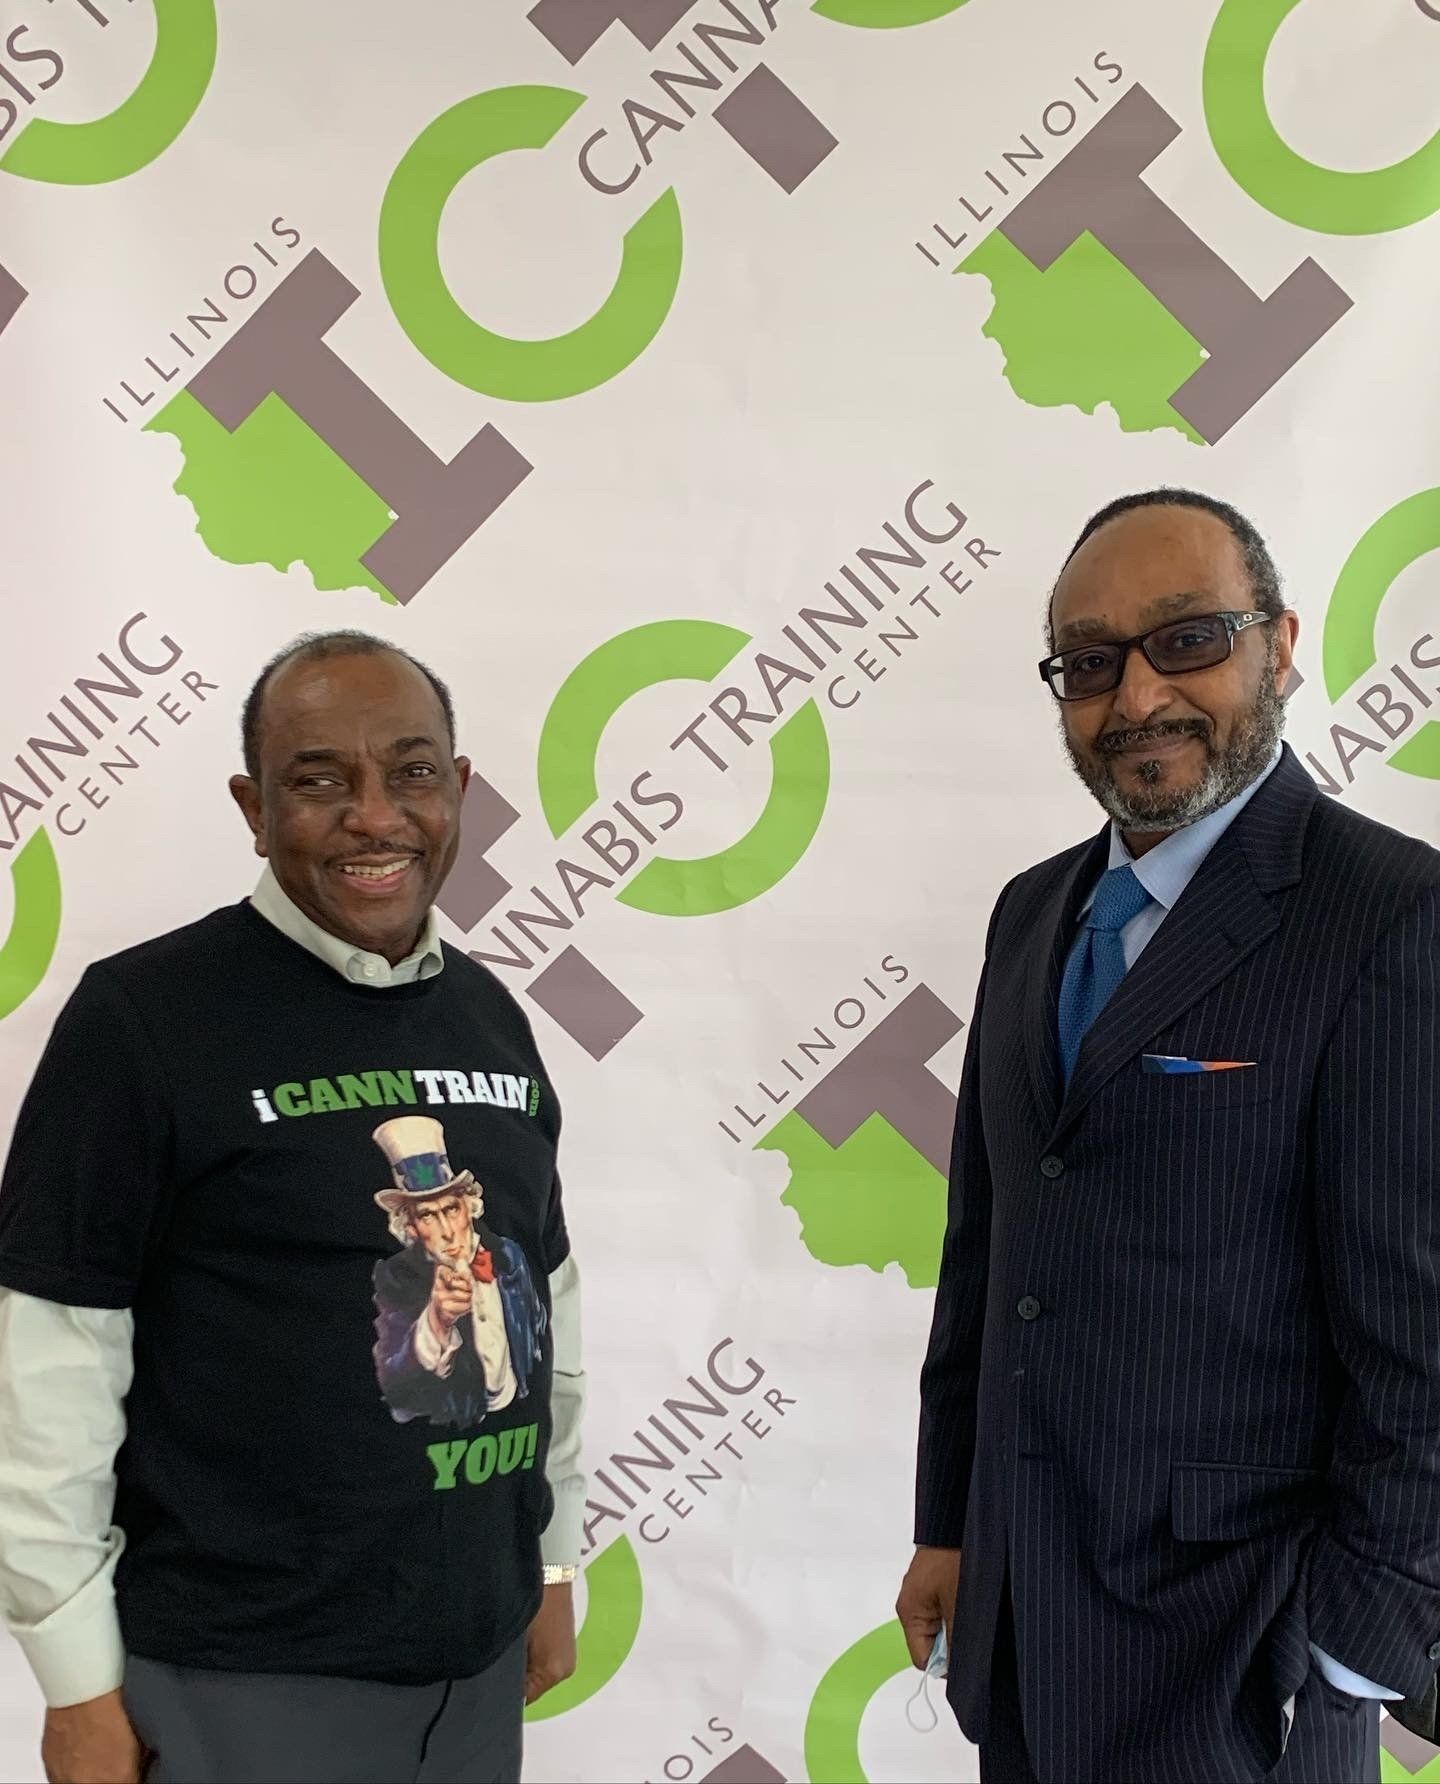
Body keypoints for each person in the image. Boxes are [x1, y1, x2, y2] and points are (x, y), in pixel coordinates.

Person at [895, 490, 1440, 1784]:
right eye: (1090, 663)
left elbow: (1423, 1346)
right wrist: (950, 1527)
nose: (1136, 697)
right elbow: (989, 1260)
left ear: (1280, 644)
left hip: (1246, 1673)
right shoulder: (1031, 916)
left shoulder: (1389, 914)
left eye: (1186, 639)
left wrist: (1354, 1657)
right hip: (1024, 1629)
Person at [0, 631, 587, 1784]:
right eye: (320, 778)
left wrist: (550, 1562)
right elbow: (50, 1362)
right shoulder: (144, 1018)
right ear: (253, 807)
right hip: (241, 1679)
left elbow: (550, 1310)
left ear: (458, 791)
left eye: (412, 771)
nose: (376, 815)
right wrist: (75, 1681)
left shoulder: (492, 1019)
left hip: (473, 1669)